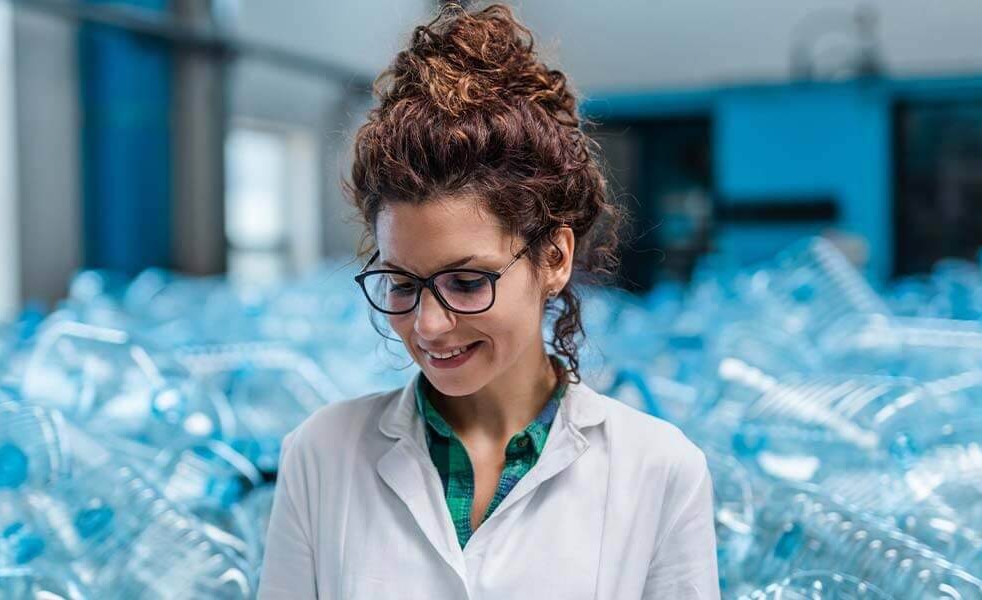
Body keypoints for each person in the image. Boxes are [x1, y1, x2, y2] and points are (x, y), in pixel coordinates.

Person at [256, 4, 718, 599]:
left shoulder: (659, 470)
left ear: (554, 258)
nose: (428, 324)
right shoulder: (321, 454)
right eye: (402, 284)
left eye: (468, 283)